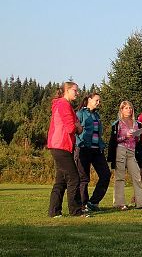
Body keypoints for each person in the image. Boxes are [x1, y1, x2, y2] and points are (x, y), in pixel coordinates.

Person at [47, 81, 85, 218]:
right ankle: (76, 211)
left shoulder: (66, 105)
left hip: (60, 145)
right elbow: (72, 127)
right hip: (61, 145)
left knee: (61, 180)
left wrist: (78, 126)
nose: (77, 93)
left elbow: (77, 127)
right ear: (67, 91)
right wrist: (78, 126)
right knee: (74, 178)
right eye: (75, 90)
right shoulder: (63, 104)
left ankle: (54, 211)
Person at [107, 101, 142, 211]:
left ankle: (141, 202)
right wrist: (125, 136)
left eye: (130, 108)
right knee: (120, 177)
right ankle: (119, 203)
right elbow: (114, 140)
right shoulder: (118, 123)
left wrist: (138, 135)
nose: (129, 110)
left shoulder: (137, 123)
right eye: (126, 108)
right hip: (121, 150)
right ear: (121, 110)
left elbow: (137, 141)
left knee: (137, 176)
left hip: (132, 152)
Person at [74, 93, 111, 212]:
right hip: (84, 148)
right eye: (96, 100)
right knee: (83, 178)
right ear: (89, 100)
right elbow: (75, 130)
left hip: (97, 150)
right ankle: (83, 205)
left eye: (99, 101)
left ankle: (93, 202)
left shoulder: (97, 115)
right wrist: (80, 143)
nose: (98, 103)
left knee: (106, 174)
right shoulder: (80, 114)